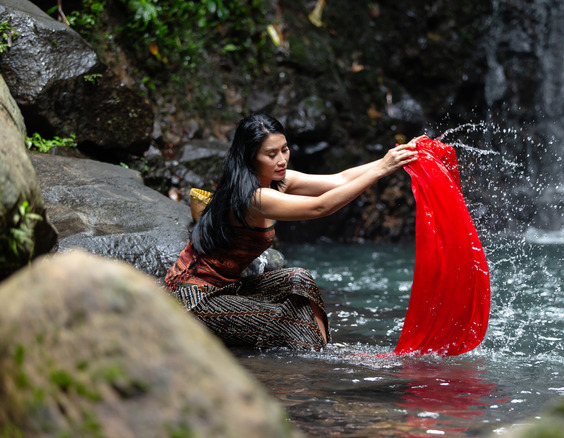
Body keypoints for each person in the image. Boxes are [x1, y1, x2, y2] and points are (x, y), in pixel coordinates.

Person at [164, 113, 418, 350]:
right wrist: (382, 169)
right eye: (271, 154)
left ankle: (322, 350)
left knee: (299, 278)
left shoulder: (279, 181)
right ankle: (318, 359)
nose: (282, 160)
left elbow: (340, 179)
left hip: (230, 287)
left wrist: (392, 158)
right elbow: (320, 207)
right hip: (193, 299)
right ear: (250, 157)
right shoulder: (253, 197)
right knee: (287, 323)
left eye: (284, 150)